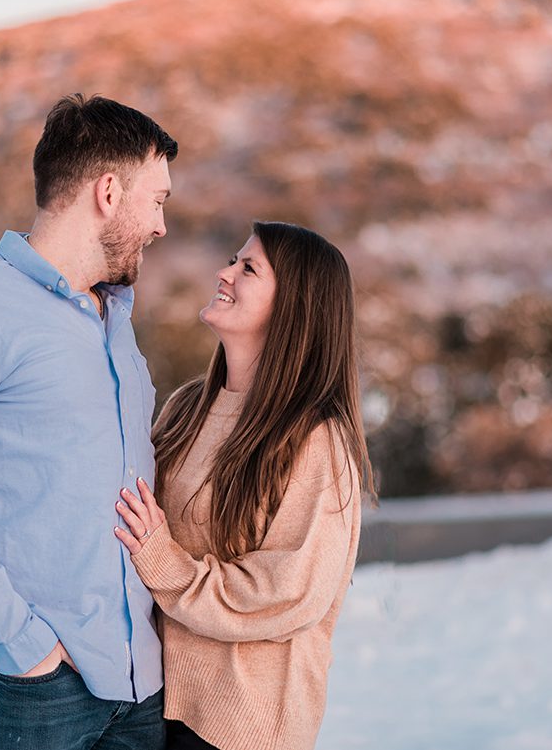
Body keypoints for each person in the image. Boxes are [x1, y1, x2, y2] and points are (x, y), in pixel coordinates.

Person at [0, 94, 177, 750]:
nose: (161, 225)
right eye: (156, 200)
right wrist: (24, 643)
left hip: (136, 691)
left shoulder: (116, 326)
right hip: (24, 690)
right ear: (108, 191)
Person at [112, 221, 376, 750]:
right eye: (234, 259)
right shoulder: (190, 407)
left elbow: (287, 593)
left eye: (248, 268)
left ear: (294, 308)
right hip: (153, 705)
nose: (224, 272)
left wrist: (167, 566)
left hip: (240, 728)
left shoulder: (316, 439)